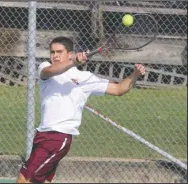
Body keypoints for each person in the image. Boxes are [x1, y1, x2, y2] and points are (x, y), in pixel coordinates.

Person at [16, 36, 145, 183]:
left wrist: (134, 75)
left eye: (60, 52)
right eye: (52, 52)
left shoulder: (85, 78)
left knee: (25, 180)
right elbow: (51, 70)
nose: (55, 56)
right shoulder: (46, 69)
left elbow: (118, 89)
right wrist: (73, 62)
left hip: (59, 138)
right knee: (40, 180)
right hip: (42, 135)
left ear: (70, 54)